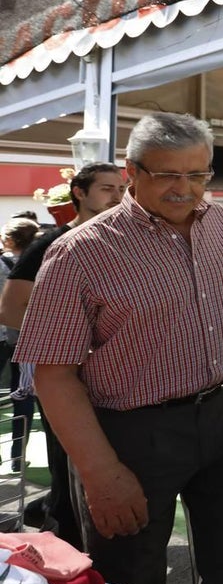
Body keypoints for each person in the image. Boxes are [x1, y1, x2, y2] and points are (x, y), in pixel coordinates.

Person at [14, 112, 223, 584]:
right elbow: (54, 375)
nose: (184, 188)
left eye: (197, 174)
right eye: (167, 174)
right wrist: (100, 472)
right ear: (132, 171)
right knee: (129, 571)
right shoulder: (79, 252)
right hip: (132, 434)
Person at [0, 162, 126, 546]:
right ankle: (69, 547)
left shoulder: (125, 244)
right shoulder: (50, 244)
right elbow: (10, 308)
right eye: (107, 188)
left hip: (120, 382)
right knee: (70, 466)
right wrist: (74, 341)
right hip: (64, 379)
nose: (117, 197)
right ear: (79, 194)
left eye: (122, 189)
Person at [1, 216, 40, 471]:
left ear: (10, 239)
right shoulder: (44, 262)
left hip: (6, 337)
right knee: (24, 396)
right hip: (32, 340)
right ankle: (17, 456)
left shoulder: (4, 265)